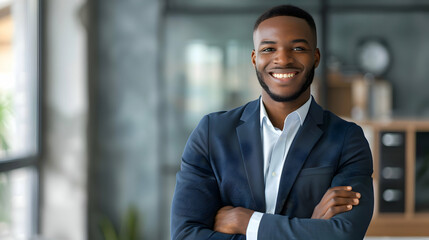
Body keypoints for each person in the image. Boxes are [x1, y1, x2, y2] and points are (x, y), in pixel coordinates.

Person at [171, 5, 373, 240]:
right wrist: (309, 227)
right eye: (269, 48)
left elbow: (344, 235)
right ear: (255, 58)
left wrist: (246, 221)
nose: (283, 59)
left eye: (298, 48)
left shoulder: (347, 139)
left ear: (315, 57)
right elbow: (186, 235)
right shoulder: (211, 134)